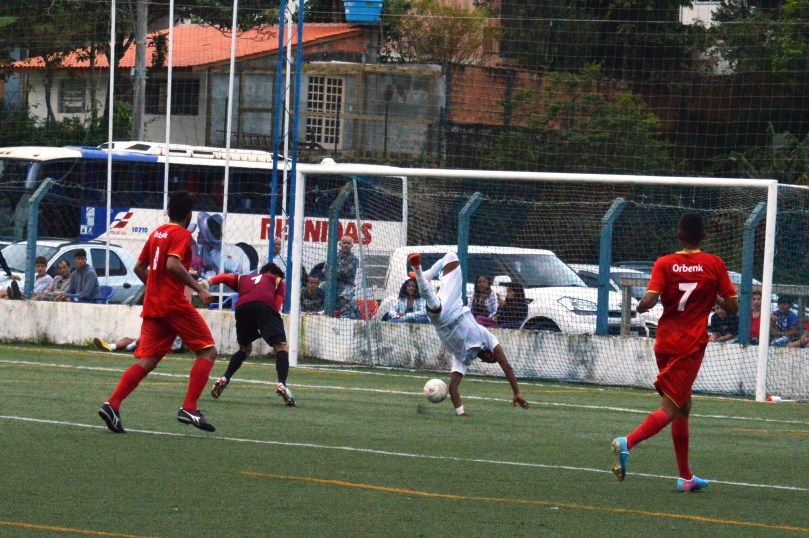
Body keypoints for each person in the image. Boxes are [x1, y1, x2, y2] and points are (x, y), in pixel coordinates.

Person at [611, 212, 738, 492]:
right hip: (690, 345)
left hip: (665, 342)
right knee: (671, 407)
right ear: (704, 237)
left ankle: (685, 476)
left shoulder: (664, 263)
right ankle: (627, 442)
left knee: (683, 405)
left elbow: (649, 301)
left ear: (678, 236)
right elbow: (733, 307)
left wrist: (642, 305)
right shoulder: (714, 264)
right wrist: (711, 294)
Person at [98, 191, 218, 434]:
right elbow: (172, 265)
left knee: (149, 360)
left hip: (154, 304)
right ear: (189, 215)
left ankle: (113, 404)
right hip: (173, 304)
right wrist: (198, 290)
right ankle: (189, 407)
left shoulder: (157, 233)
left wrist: (156, 285)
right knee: (208, 350)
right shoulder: (181, 234)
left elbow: (139, 267)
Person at [409, 251, 529, 416]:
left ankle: (418, 269)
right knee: (452, 257)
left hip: (442, 320)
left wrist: (461, 412)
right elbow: (506, 366)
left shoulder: (463, 358)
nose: (489, 359)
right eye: (492, 357)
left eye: (489, 361)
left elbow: (453, 387)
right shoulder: (486, 336)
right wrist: (517, 391)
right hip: (456, 305)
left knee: (434, 305)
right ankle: (427, 274)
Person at [206, 262, 296, 406]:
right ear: (271, 274)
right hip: (264, 307)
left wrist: (208, 282)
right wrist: (266, 325)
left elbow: (224, 277)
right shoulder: (277, 280)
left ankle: (224, 378)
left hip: (242, 308)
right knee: (281, 347)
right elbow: (276, 306)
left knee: (244, 349)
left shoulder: (244, 278)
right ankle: (282, 384)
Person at [93, 335, 184, 353]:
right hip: (166, 345)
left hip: (165, 347)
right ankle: (110, 346)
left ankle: (131, 346)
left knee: (129, 341)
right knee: (128, 339)